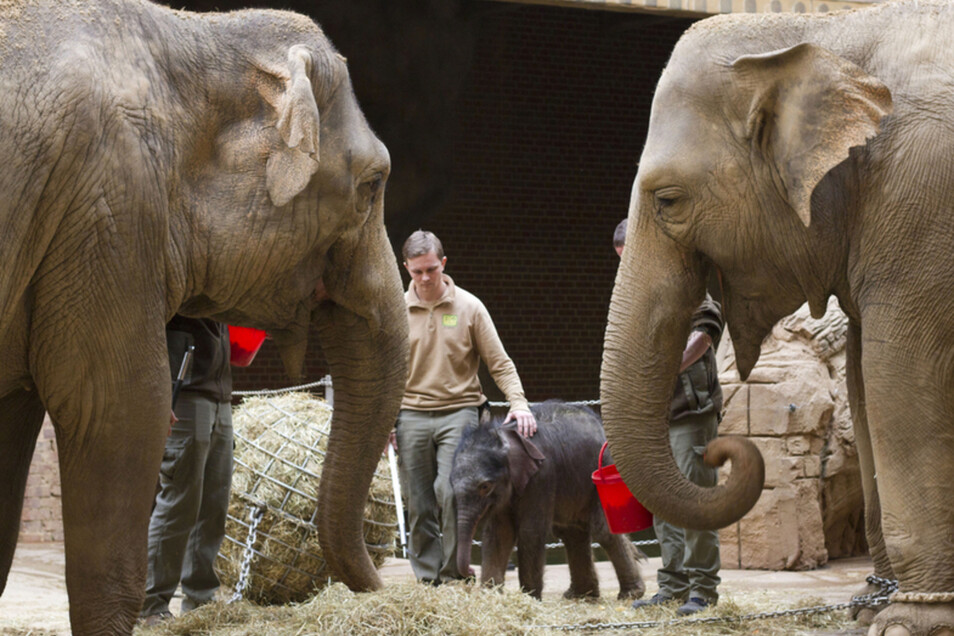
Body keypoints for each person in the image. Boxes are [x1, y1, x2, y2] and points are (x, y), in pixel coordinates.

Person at [392, 230, 537, 584]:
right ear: (406, 268)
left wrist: (519, 403)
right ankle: (428, 579)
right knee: (420, 500)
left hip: (459, 411)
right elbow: (383, 371)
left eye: (431, 269)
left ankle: (452, 576)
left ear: (443, 263)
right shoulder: (394, 309)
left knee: (450, 491)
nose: (425, 279)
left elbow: (499, 363)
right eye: (416, 272)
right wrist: (383, 422)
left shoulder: (470, 307)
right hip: (410, 414)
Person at [615, 218, 724, 616]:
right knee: (662, 504)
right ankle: (673, 585)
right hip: (652, 419)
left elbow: (709, 327)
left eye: (630, 261)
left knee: (693, 502)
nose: (626, 270)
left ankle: (702, 591)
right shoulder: (632, 295)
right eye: (621, 263)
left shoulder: (685, 282)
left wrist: (670, 365)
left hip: (691, 414)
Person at [140, 316, 234, 625]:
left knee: (214, 505)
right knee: (180, 502)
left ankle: (200, 602)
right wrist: (160, 393)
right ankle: (151, 605)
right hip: (186, 392)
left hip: (219, 394)